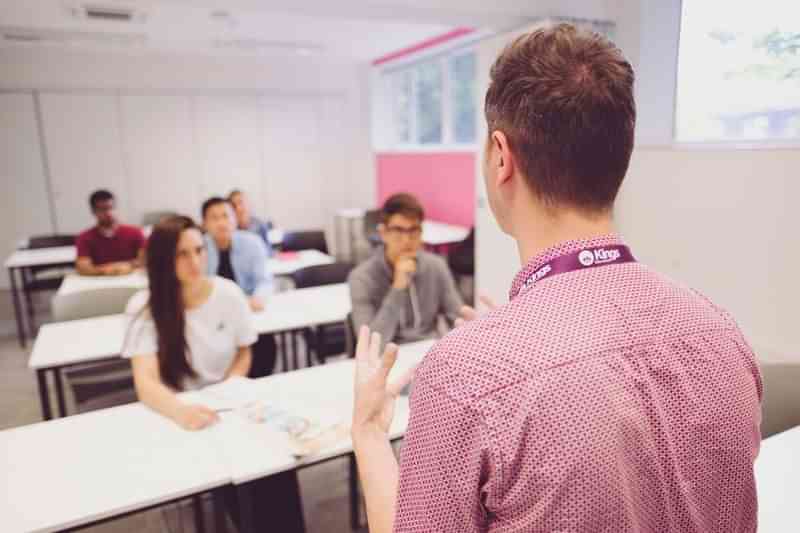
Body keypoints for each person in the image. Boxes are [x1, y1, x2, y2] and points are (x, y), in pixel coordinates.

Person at [351, 24, 762, 533]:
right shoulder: (721, 331)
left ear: (501, 157)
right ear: (620, 156)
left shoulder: (463, 376)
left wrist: (370, 433)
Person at [123, 215, 306, 532]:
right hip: (178, 409)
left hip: (229, 402)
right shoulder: (144, 306)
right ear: (163, 259)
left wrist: (232, 385)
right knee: (238, 481)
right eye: (182, 254)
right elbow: (146, 382)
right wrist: (181, 411)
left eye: (198, 250)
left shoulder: (228, 293)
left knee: (278, 466)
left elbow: (244, 350)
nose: (194, 261)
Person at [348, 193, 463, 345]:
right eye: (398, 230)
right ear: (383, 233)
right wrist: (398, 288)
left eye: (414, 230)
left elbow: (457, 317)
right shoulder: (361, 278)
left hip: (429, 353)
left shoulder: (436, 266)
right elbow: (370, 345)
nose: (407, 240)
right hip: (386, 358)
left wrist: (473, 326)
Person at [202, 197, 278, 377]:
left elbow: (264, 281)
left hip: (248, 312)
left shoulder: (252, 243)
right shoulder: (199, 248)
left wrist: (258, 297)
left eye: (226, 216)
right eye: (214, 218)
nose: (222, 222)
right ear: (204, 223)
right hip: (212, 316)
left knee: (262, 345)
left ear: (235, 219)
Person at [76, 189, 146, 276]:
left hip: (131, 279)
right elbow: (84, 268)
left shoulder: (135, 232)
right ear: (93, 211)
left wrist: (126, 266)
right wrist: (113, 268)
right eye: (103, 209)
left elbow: (144, 261)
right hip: (99, 281)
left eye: (111, 208)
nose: (109, 213)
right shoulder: (84, 237)